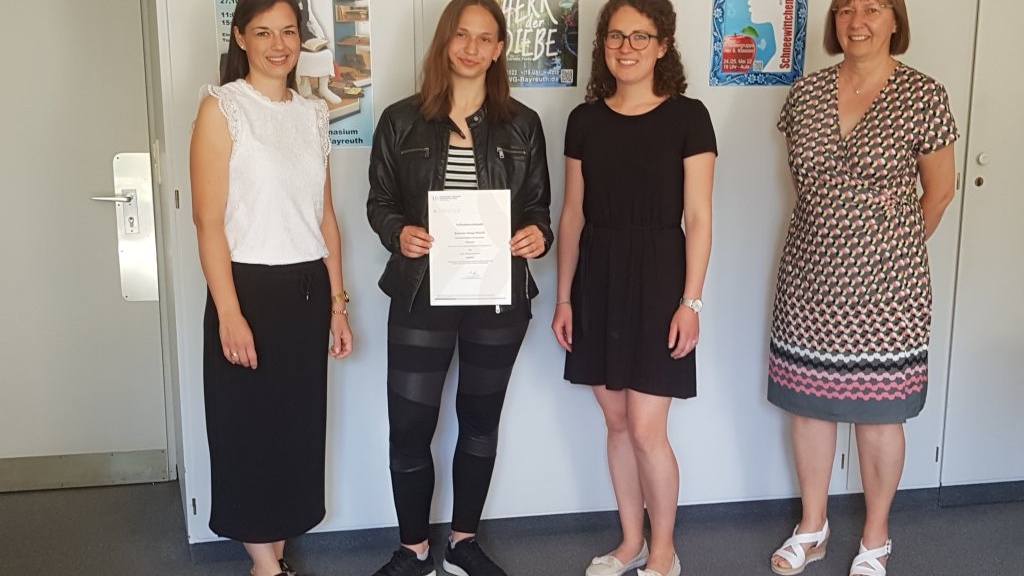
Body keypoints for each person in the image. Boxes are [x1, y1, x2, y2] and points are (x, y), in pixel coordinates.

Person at [766, 1, 958, 575]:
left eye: (873, 7)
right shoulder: (805, 94)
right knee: (809, 406)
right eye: (846, 8)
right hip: (809, 279)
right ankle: (813, 526)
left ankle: (875, 537)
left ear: (895, 19)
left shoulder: (924, 95)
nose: (857, 20)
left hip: (890, 289)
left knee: (880, 414)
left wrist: (885, 247)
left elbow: (940, 192)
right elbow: (806, 185)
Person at [365, 1, 552, 575]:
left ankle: (462, 544)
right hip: (421, 294)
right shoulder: (400, 120)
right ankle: (414, 549)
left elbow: (539, 209)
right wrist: (399, 233)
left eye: (485, 38)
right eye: (462, 35)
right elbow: (379, 203)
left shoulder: (523, 124)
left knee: (479, 421)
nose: (472, 48)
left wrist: (537, 236)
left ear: (499, 49)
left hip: (498, 297)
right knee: (410, 427)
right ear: (445, 41)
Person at [551, 1, 716, 575]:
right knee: (617, 422)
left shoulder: (689, 116)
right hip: (597, 278)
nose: (627, 47)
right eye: (616, 36)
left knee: (647, 428)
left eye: (640, 36)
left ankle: (664, 550)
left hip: (659, 278)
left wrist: (690, 302)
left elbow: (699, 217)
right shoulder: (584, 120)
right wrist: (564, 297)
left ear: (662, 45)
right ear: (603, 44)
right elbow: (571, 215)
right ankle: (631, 542)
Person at [190, 0, 353, 574]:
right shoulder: (222, 107)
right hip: (247, 292)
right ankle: (265, 566)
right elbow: (208, 222)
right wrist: (229, 312)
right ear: (240, 37)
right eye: (263, 32)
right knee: (247, 432)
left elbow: (325, 217)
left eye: (288, 31)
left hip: (307, 291)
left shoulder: (312, 114)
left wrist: (338, 304)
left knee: (293, 431)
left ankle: (275, 560)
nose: (278, 44)